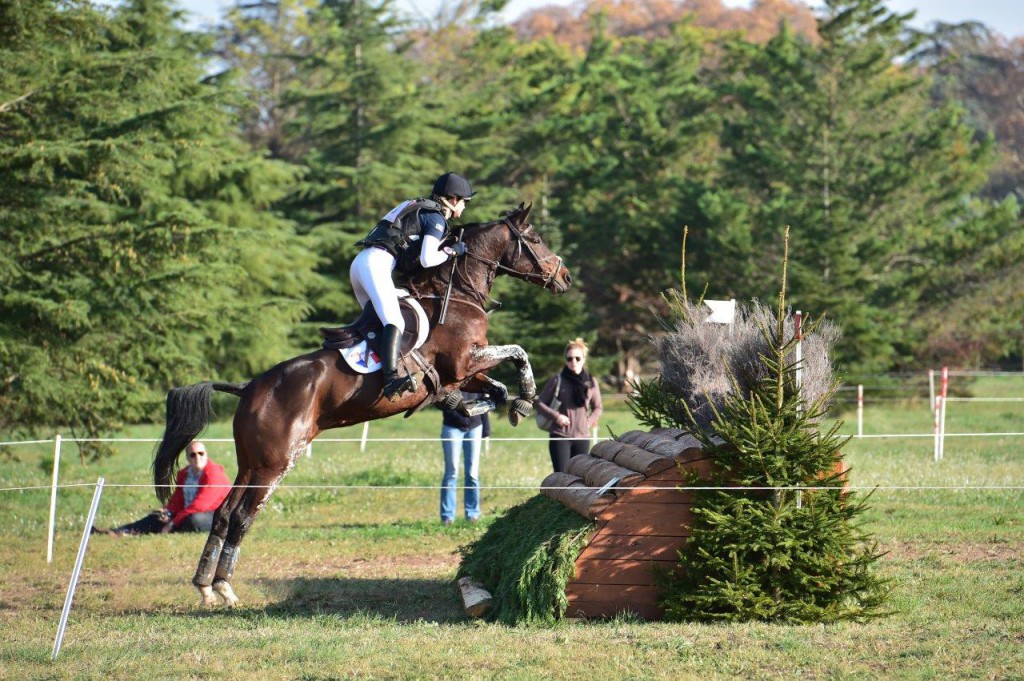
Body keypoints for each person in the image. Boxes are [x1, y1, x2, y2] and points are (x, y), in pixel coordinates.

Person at [351, 172, 475, 400]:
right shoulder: (435, 217)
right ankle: (390, 380)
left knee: (376, 324)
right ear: (454, 199)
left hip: (361, 263)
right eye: (465, 203)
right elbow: (428, 259)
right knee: (394, 321)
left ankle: (360, 374)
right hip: (376, 264)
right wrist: (452, 251)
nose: (464, 208)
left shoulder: (415, 204)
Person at [92, 441, 231, 536]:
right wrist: (168, 511)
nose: (197, 457)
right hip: (186, 512)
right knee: (158, 516)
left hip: (213, 514)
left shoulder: (213, 473)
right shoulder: (184, 474)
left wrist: (173, 521)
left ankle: (169, 528)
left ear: (206, 455)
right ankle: (119, 531)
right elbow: (177, 499)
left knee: (194, 520)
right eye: (193, 454)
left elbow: (200, 505)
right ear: (188, 458)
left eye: (201, 453)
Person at [535, 338, 604, 473]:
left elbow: (598, 407)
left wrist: (588, 422)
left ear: (584, 359)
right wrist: (556, 416)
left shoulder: (591, 381)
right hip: (560, 436)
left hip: (582, 437)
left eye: (577, 358)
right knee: (561, 476)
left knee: (579, 476)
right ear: (565, 360)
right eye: (569, 358)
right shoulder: (557, 380)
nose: (573, 362)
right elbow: (539, 402)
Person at [439, 391, 491, 525]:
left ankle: (473, 513)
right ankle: (447, 516)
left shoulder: (476, 379)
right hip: (451, 427)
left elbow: (483, 403)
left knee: (472, 473)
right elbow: (439, 400)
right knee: (451, 472)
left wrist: (486, 430)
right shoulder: (450, 379)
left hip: (475, 427)